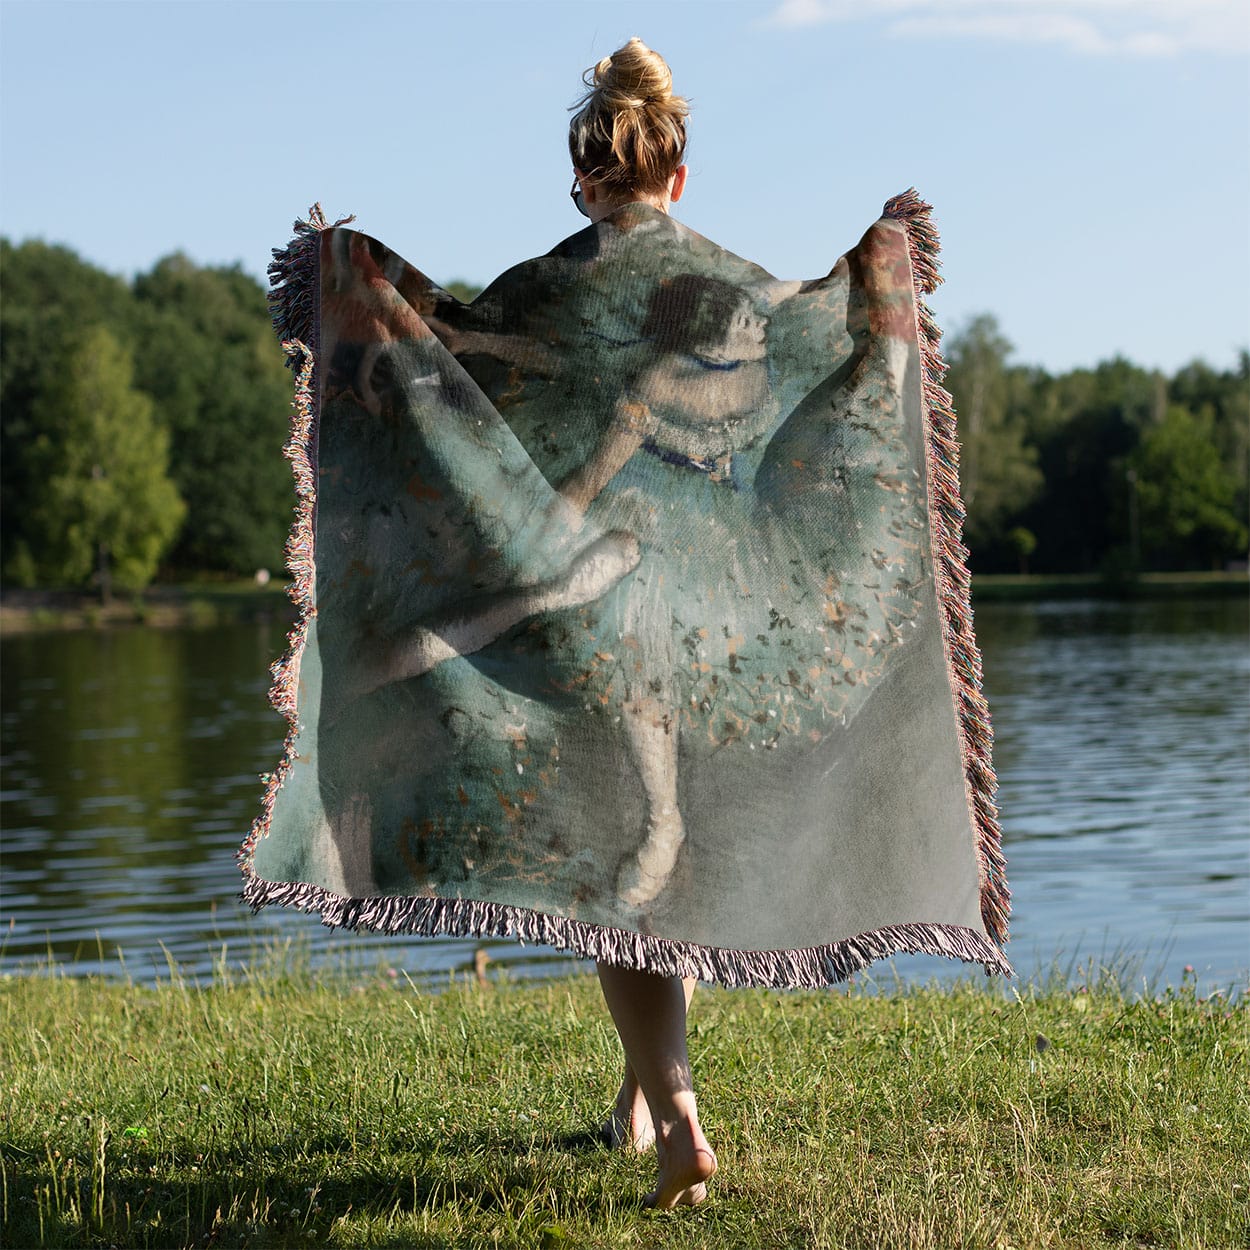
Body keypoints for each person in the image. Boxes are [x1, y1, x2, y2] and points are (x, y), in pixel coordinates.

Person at [566, 36, 719, 1212]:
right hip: (707, 610)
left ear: (585, 183)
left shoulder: (559, 284)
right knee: (660, 849)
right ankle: (634, 1101)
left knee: (621, 869)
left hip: (600, 608)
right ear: (677, 175)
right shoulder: (723, 290)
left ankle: (676, 1116)